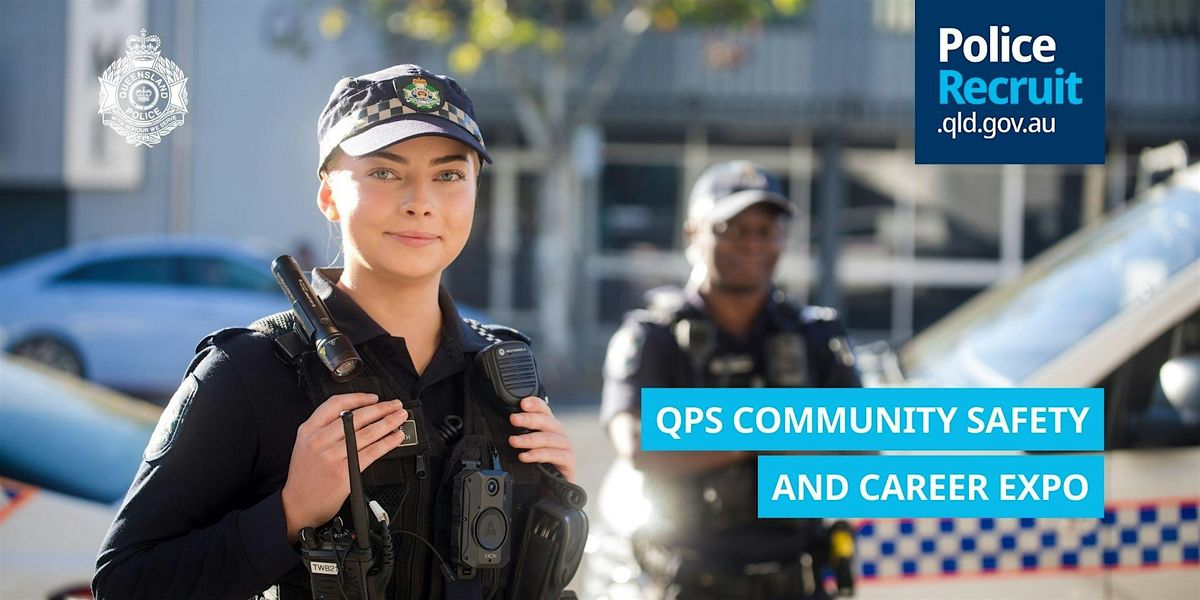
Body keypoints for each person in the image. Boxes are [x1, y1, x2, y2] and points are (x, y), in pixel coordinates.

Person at [94, 64, 580, 600]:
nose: (421, 201)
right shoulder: (250, 372)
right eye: (385, 172)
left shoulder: (504, 373)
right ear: (328, 195)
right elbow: (124, 583)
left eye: (448, 176)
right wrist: (289, 513)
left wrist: (553, 501)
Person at [600, 161, 862, 600]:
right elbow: (640, 444)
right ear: (693, 232)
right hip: (689, 585)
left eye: (767, 230)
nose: (752, 243)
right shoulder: (656, 334)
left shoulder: (815, 334)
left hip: (797, 584)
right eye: (733, 229)